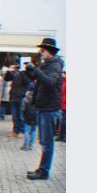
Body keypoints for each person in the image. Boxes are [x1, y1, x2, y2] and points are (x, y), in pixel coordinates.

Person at [25, 38, 64, 180]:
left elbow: (50, 82)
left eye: (43, 50)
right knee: (44, 141)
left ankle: (43, 171)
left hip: (49, 109)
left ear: (50, 51)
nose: (40, 53)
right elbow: (38, 79)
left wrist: (35, 69)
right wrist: (32, 70)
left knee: (47, 143)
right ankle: (42, 169)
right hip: (43, 108)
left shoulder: (55, 65)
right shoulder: (47, 64)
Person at [5, 64, 30, 137]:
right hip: (14, 97)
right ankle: (15, 130)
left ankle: (22, 131)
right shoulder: (15, 73)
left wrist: (23, 72)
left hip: (22, 97)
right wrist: (8, 72)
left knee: (21, 116)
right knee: (14, 115)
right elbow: (7, 78)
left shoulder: (27, 74)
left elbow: (27, 82)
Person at [21, 83, 38, 151]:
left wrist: (23, 116)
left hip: (27, 116)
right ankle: (31, 146)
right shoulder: (38, 97)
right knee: (33, 131)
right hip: (35, 116)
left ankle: (25, 146)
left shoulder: (25, 98)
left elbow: (23, 108)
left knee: (27, 131)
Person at [57, 71, 66, 142]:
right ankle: (61, 136)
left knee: (63, 121)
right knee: (62, 120)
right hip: (61, 104)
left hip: (64, 104)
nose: (62, 74)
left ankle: (63, 136)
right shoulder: (62, 81)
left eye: (64, 73)